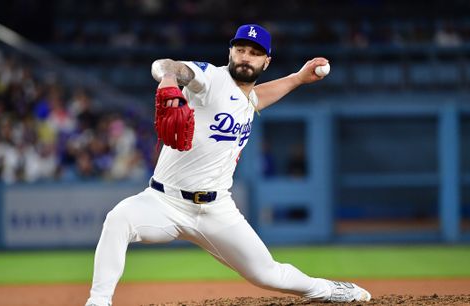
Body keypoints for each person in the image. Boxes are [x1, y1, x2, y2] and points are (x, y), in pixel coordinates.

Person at [85, 24, 371, 306]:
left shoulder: (248, 98)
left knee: (268, 274)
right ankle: (98, 302)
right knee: (118, 218)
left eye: (255, 53)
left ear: (266, 61)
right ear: (231, 52)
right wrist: (169, 78)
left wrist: (297, 78)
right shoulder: (209, 78)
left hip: (217, 210)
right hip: (164, 201)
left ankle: (329, 290)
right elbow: (165, 64)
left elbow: (257, 98)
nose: (246, 56)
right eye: (241, 49)